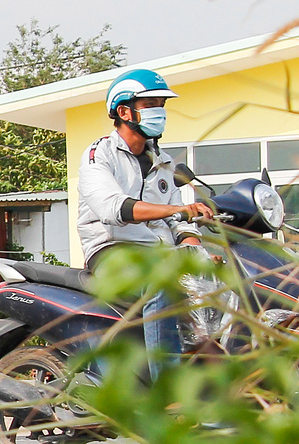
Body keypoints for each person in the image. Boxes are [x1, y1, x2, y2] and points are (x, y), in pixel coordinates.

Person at [77, 68, 213, 354]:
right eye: (150, 105)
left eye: (161, 106)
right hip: (112, 251)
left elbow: (181, 223)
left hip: (158, 254)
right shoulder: (98, 154)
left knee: (220, 281)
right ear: (124, 112)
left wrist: (195, 249)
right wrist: (177, 209)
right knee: (160, 285)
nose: (159, 112)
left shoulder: (162, 161)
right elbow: (112, 208)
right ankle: (167, 388)